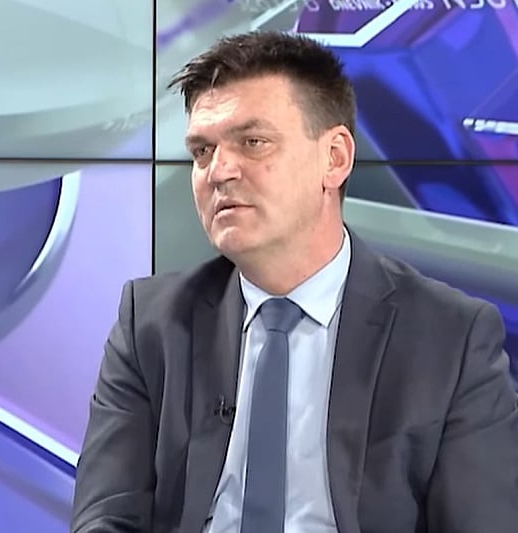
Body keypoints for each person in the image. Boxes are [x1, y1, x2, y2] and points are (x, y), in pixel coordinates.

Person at [70, 30, 518, 533]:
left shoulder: (451, 338)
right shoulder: (150, 324)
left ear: (335, 158)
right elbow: (104, 517)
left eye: (252, 142)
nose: (218, 171)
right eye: (202, 151)